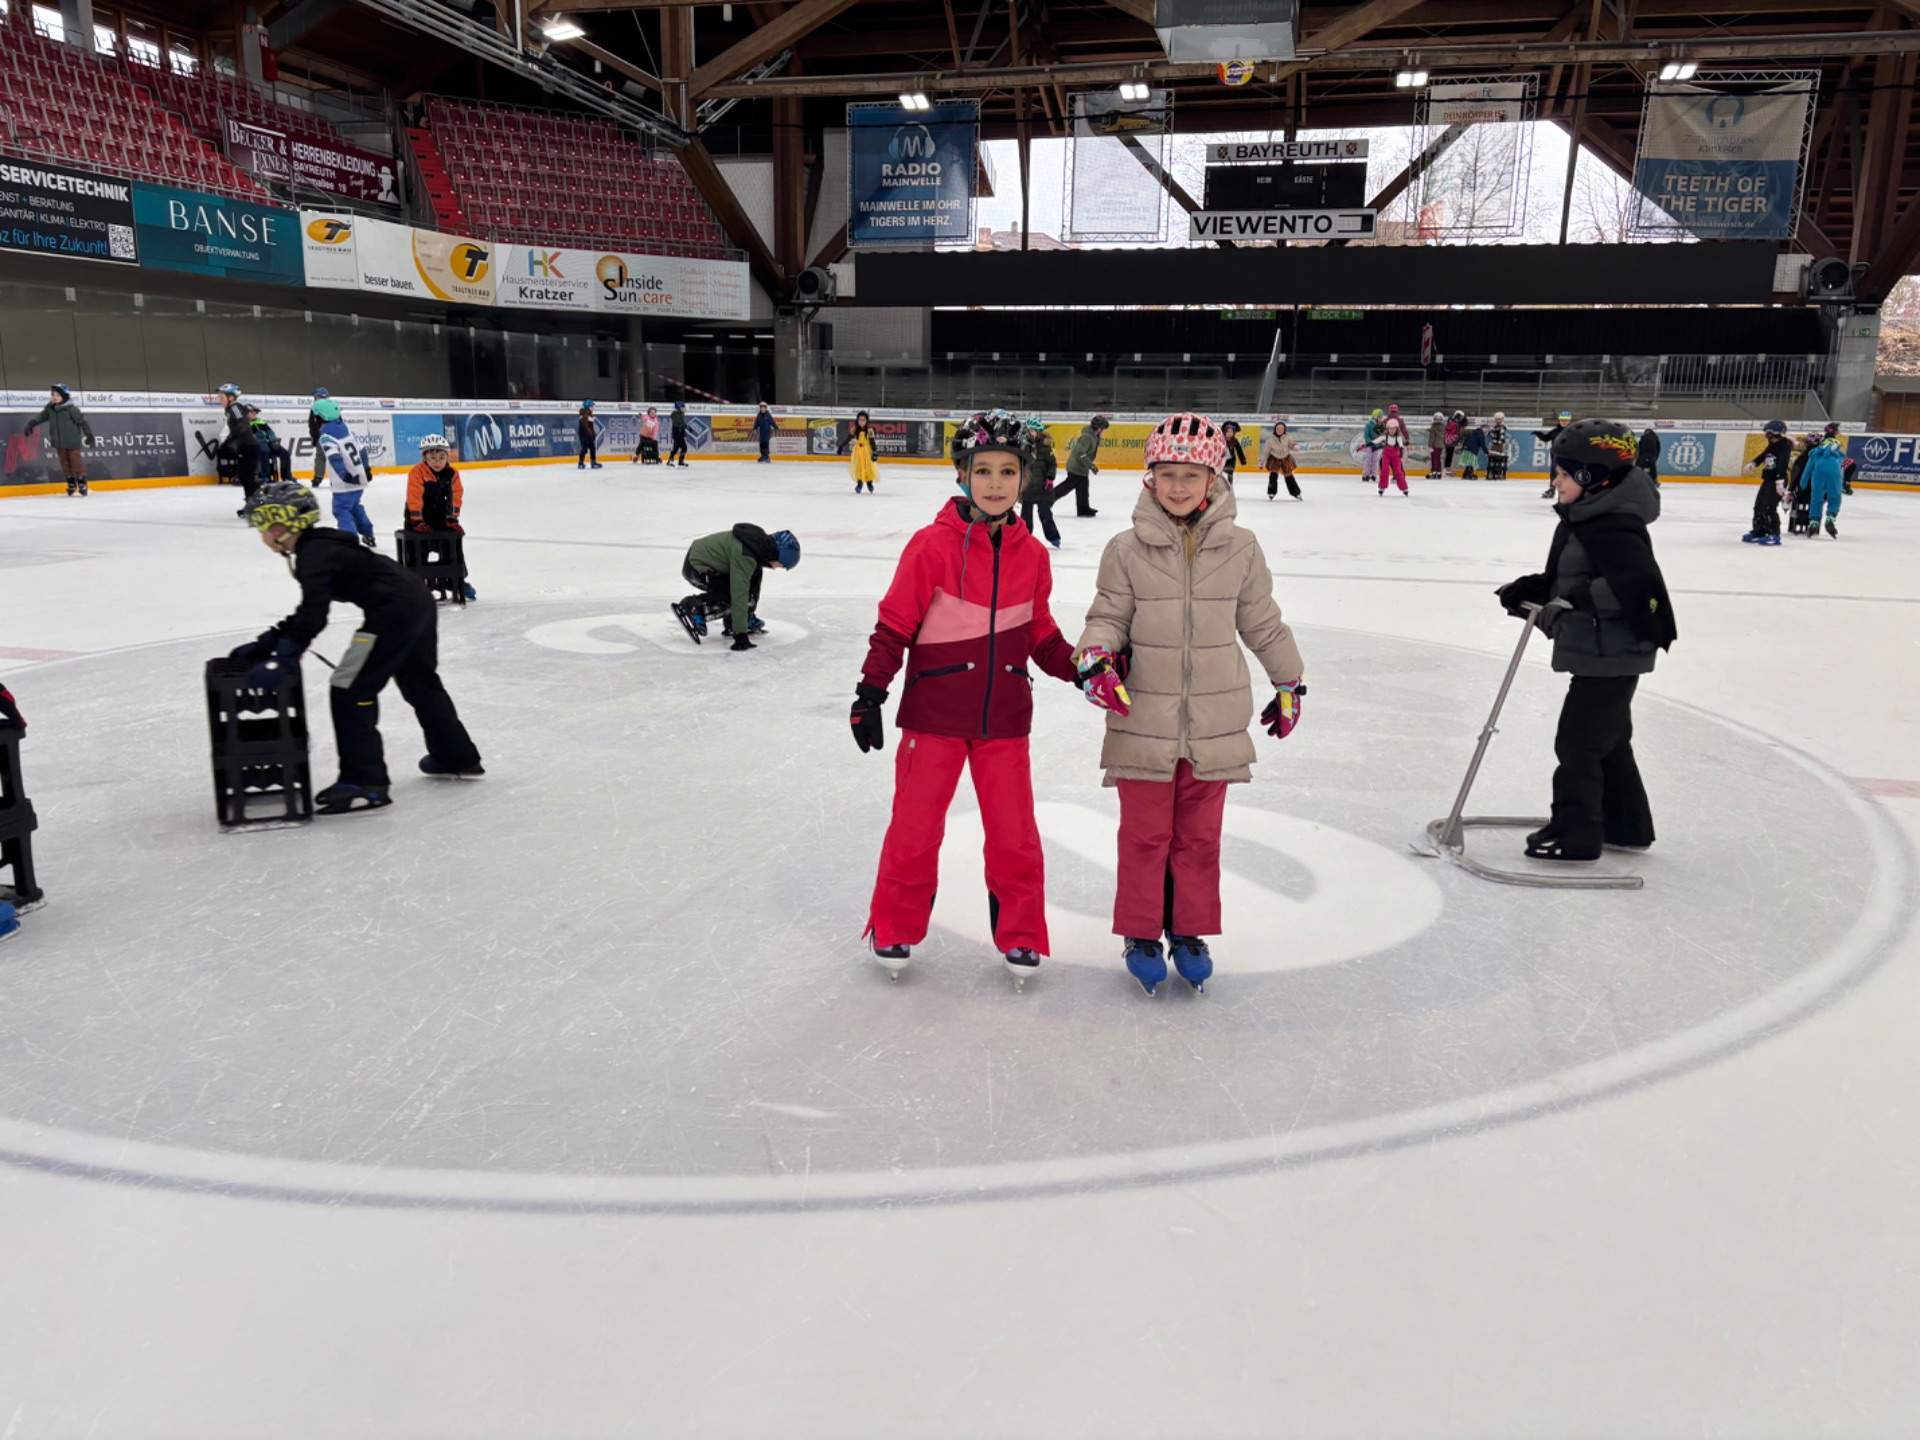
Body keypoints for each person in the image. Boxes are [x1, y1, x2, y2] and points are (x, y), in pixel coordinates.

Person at [1073, 413, 1305, 997]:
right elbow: (1107, 617)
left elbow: (1262, 623)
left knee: (1199, 837)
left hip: (1214, 722)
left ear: (1214, 479)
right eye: (1167, 474)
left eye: (1191, 475)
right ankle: (1140, 933)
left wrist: (1290, 681)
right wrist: (1095, 657)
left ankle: (1190, 930)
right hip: (1142, 720)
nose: (1178, 486)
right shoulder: (1125, 549)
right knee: (1144, 836)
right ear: (1149, 478)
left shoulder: (1241, 548)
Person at [849, 411, 1081, 988]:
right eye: (983, 471)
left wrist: (1081, 668)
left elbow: (1040, 634)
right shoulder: (930, 546)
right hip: (934, 715)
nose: (996, 483)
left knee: (1015, 836)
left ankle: (1022, 933)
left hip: (1004, 719)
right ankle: (894, 924)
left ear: (1024, 478)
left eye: (1008, 471)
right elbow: (894, 625)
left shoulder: (1033, 556)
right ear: (962, 474)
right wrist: (870, 693)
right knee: (914, 829)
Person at [229, 481, 483, 814]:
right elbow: (309, 611)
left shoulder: (312, 554)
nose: (262, 537)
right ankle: (456, 756)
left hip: (391, 613)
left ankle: (365, 782)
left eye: (261, 529)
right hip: (415, 600)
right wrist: (269, 643)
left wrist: (286, 654)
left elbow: (314, 613)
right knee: (420, 683)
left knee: (348, 688)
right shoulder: (319, 547)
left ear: (279, 527)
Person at [1495, 419, 1675, 863]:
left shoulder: (1614, 525)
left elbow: (1640, 588)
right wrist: (1535, 588)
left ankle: (1576, 835)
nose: (1556, 482)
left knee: (1578, 744)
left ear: (1591, 476)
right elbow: (1577, 574)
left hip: (1613, 654)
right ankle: (1625, 826)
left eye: (1563, 474)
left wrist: (1575, 600)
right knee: (1608, 740)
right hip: (1604, 649)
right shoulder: (1589, 517)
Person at [670, 524, 799, 649]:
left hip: (708, 559)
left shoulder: (757, 547)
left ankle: (740, 618)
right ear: (776, 555)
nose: (776, 568)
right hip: (696, 566)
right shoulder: (746, 556)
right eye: (780, 565)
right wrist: (740, 634)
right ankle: (693, 606)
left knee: (754, 576)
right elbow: (739, 594)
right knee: (734, 595)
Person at [406, 435, 477, 602]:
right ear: (424, 458)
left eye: (441, 457)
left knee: (453, 546)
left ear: (447, 457)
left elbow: (456, 496)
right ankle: (416, 583)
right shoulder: (417, 472)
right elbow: (414, 496)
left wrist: (452, 518)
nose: (437, 462)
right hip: (419, 519)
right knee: (416, 550)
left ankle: (455, 580)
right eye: (432, 458)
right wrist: (417, 520)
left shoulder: (452, 473)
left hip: (442, 519)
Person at [312, 392, 376, 547]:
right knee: (354, 507)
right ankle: (368, 533)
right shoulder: (348, 431)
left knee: (341, 510)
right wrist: (366, 469)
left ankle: (349, 541)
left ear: (319, 418)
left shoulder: (326, 437)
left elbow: (335, 458)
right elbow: (362, 451)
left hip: (345, 482)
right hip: (359, 479)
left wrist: (344, 476)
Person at [23, 383, 95, 497]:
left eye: (57, 395)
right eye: (53, 395)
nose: (54, 397)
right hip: (59, 442)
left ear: (64, 396)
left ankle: (81, 482)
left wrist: (89, 435)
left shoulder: (72, 409)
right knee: (64, 462)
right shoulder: (51, 408)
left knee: (76, 461)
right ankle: (71, 482)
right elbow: (41, 417)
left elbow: (82, 422)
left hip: (71, 441)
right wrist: (31, 423)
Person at [1742, 419, 1792, 546]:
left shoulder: (1784, 446)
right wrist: (1754, 463)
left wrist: (1780, 481)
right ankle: (1759, 531)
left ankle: (1774, 534)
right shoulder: (1772, 446)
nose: (1768, 437)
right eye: (1767, 434)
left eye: (1770, 434)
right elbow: (1763, 455)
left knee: (1769, 507)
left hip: (1777, 481)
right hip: (1768, 480)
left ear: (1777, 434)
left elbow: (1783, 464)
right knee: (1759, 506)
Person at [218, 382, 262, 515]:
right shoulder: (231, 409)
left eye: (222, 397)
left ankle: (258, 504)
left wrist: (230, 442)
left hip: (249, 447)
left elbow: (241, 426)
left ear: (231, 397)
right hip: (244, 447)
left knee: (248, 477)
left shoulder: (235, 407)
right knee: (244, 476)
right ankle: (252, 503)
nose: (219, 400)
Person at [1019, 416, 1062, 548]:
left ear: (1038, 432)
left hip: (1043, 487)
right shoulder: (1022, 447)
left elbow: (1052, 464)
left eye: (1033, 431)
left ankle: (1053, 537)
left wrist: (1050, 478)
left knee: (1045, 513)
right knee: (1026, 515)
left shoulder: (1045, 448)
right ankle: (1025, 537)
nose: (1030, 433)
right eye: (1028, 431)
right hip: (1027, 487)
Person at [1054, 414, 1109, 518]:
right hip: (1076, 467)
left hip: (1081, 467)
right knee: (1067, 486)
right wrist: (1091, 465)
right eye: (1103, 429)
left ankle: (1083, 509)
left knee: (1082, 488)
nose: (1104, 431)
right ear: (1099, 429)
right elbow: (1080, 453)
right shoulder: (1087, 437)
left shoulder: (1093, 436)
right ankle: (1048, 499)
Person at [1802, 422, 1846, 539]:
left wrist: (1803, 483)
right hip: (1834, 473)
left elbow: (1808, 468)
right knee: (1835, 496)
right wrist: (1843, 483)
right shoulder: (1837, 450)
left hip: (1818, 473)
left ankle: (1814, 521)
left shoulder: (1817, 451)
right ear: (1836, 432)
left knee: (1816, 497)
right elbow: (1842, 466)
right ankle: (1831, 517)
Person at [247, 406, 295, 486]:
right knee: (265, 451)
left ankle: (287, 477)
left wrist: (273, 440)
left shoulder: (261, 421)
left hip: (268, 442)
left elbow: (270, 431)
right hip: (257, 443)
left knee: (285, 453)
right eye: (252, 412)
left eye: (255, 412)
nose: (254, 414)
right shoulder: (244, 423)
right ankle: (265, 476)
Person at [1534, 411, 1572, 499]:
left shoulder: (1572, 432)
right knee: (1554, 473)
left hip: (1568, 457)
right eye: (1562, 420)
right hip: (1556, 456)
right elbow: (1546, 438)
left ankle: (1569, 491)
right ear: (1559, 421)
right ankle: (1552, 489)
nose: (1564, 422)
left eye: (1566, 420)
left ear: (1569, 421)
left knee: (1568, 474)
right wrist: (1539, 434)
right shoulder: (1555, 431)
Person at [1262, 419, 1302, 500]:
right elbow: (1265, 452)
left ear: (1284, 430)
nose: (1280, 430)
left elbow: (1292, 444)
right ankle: (1271, 492)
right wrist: (1261, 462)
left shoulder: (1288, 438)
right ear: (1275, 429)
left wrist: (1295, 446)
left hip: (1286, 459)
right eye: (1278, 428)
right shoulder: (1270, 440)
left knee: (1289, 476)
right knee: (1273, 476)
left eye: (1281, 428)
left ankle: (1296, 493)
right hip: (1274, 459)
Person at [840, 410, 878, 494]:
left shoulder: (870, 431)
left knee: (868, 467)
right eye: (860, 420)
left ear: (867, 421)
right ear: (857, 420)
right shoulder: (855, 429)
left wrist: (875, 452)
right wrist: (842, 446)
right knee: (858, 467)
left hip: (867, 450)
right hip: (858, 451)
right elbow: (848, 438)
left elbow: (872, 442)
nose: (862, 422)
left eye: (863, 420)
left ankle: (869, 483)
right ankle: (859, 484)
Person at [1378, 408, 1410, 495]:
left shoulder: (1386, 420)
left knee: (1385, 468)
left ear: (1389, 411)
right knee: (1398, 468)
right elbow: (1404, 431)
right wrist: (1407, 439)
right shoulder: (1400, 420)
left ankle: (1382, 486)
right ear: (1397, 411)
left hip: (1390, 448)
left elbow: (1380, 430)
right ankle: (1403, 486)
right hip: (1395, 448)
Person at [1357, 409, 1384, 486]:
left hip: (1377, 445)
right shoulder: (1369, 424)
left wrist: (1380, 441)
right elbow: (1366, 435)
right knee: (1368, 460)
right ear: (1375, 417)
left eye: (1381, 417)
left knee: (1375, 460)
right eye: (1380, 417)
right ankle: (1365, 474)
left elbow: (1381, 435)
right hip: (1370, 445)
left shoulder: (1380, 425)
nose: (1381, 419)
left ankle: (1374, 474)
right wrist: (1371, 442)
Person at [1458, 415, 1488, 480]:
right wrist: (1487, 452)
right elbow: (1483, 445)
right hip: (1472, 450)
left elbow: (1466, 440)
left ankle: (1465, 473)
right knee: (1471, 462)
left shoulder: (1473, 433)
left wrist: (1463, 448)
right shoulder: (1481, 435)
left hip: (1466, 449)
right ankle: (1469, 473)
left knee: (1468, 462)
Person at [576, 401, 603, 470]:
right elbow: (585, 426)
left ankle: (593, 462)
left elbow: (590, 427)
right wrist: (590, 433)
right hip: (584, 434)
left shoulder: (591, 415)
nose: (593, 407)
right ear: (588, 408)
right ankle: (580, 463)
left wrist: (593, 434)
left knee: (592, 448)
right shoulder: (584, 415)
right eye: (591, 406)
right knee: (584, 448)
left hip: (589, 434)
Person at [1486, 411, 1511, 482]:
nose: (1498, 420)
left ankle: (1499, 473)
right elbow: (1494, 436)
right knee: (1494, 459)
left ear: (1502, 419)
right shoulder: (1495, 427)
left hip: (1499, 445)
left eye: (1499, 419)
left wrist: (1498, 442)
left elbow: (1501, 437)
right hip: (1495, 444)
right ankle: (1494, 472)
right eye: (1497, 419)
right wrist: (1490, 432)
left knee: (1499, 459)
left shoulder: (1502, 427)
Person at [1219, 420, 1245, 485]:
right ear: (1225, 432)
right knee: (1219, 473)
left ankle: (1230, 485)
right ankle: (1220, 485)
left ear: (1234, 433)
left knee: (1230, 472)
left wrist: (1242, 459)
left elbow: (1239, 450)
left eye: (1231, 432)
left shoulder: (1234, 440)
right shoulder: (1221, 439)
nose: (1229, 433)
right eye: (1228, 431)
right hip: (1222, 459)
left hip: (1231, 460)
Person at [667, 402, 689, 467]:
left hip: (681, 434)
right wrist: (685, 426)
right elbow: (677, 423)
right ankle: (670, 460)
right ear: (679, 408)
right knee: (675, 448)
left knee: (684, 448)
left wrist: (685, 428)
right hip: (677, 434)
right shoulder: (674, 414)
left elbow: (681, 423)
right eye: (683, 408)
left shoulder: (681, 414)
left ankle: (681, 461)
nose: (684, 409)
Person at [1427, 412, 1447, 479]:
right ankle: (1438, 472)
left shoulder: (1433, 427)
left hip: (1434, 445)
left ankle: (1434, 472)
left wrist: (1430, 445)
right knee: (1438, 458)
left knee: (1434, 459)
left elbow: (1432, 437)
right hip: (1441, 445)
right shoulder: (1444, 427)